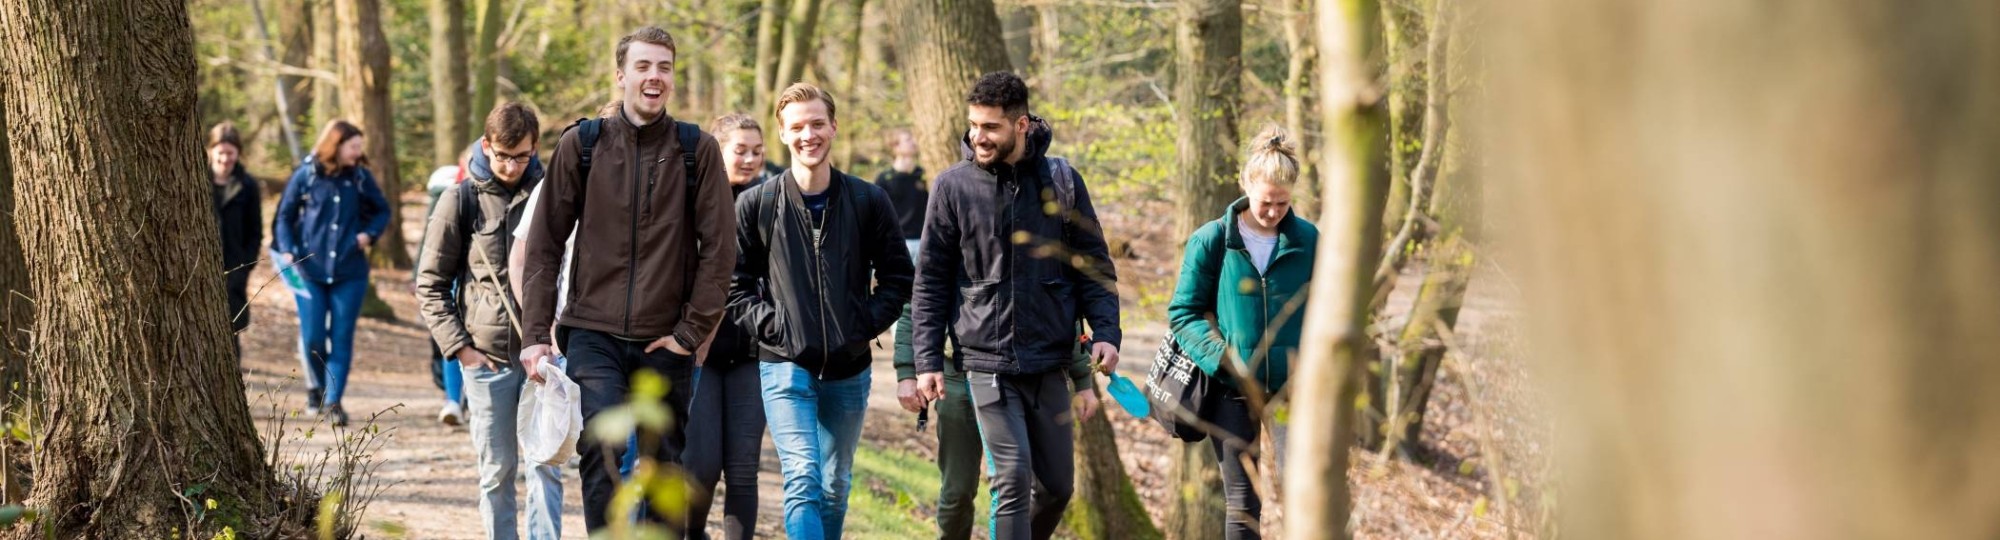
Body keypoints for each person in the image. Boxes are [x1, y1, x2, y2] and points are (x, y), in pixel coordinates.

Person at [515, 26, 737, 535]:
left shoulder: (696, 150)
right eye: (643, 66)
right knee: (602, 448)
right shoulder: (582, 145)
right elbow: (544, 245)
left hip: (667, 341)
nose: (654, 77)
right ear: (621, 75)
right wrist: (534, 335)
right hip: (593, 333)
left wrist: (689, 333)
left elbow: (721, 253)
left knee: (663, 467)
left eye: (664, 67)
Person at [910, 71, 1120, 540]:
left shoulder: (1062, 181)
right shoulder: (952, 187)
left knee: (1057, 488)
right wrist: (926, 360)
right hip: (985, 361)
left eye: (990, 128)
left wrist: (1106, 331)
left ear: (1021, 125)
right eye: (973, 126)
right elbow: (930, 284)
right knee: (1011, 478)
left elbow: (1093, 266)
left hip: (1049, 361)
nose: (977, 137)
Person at [729, 83, 913, 540]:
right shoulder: (758, 204)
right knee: (803, 478)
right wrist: (778, 329)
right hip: (783, 365)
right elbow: (732, 287)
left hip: (850, 367)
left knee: (834, 484)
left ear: (833, 126)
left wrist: (861, 325)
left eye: (816, 123)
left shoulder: (869, 200)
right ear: (782, 134)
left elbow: (898, 279)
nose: (808, 134)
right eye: (797, 127)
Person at [416, 103, 564, 540]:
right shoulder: (460, 199)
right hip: (490, 360)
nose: (511, 165)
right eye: (502, 155)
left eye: (521, 156)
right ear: (486, 146)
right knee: (498, 471)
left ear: (535, 148)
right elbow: (430, 283)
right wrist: (462, 349)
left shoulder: (554, 191)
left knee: (546, 469)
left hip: (546, 357)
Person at [1166, 126, 1315, 540]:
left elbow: (1325, 310)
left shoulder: (1309, 241)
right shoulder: (1212, 239)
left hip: (1291, 389)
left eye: (1282, 204)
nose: (1273, 212)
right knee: (1244, 506)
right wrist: (1222, 357)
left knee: (1302, 494)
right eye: (1266, 202)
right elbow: (1183, 312)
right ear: (1246, 185)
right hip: (1232, 388)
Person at [681, 113, 775, 540]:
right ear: (716, 151)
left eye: (757, 151)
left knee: (741, 468)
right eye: (740, 150)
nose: (750, 159)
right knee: (700, 466)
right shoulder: (690, 200)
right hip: (696, 351)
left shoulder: (774, 202)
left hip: (753, 352)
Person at [274, 119, 390, 428]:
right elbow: (284, 216)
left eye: (359, 147)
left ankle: (334, 401)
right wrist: (287, 248)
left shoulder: (361, 178)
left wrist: (368, 235)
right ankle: (319, 386)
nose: (358, 152)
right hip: (310, 270)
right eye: (353, 147)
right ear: (336, 146)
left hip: (350, 273)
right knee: (312, 337)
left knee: (341, 338)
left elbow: (382, 210)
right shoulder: (307, 175)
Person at [418, 146, 475, 426]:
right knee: (453, 337)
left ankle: (469, 400)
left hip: (482, 283)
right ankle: (453, 400)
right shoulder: (450, 193)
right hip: (452, 276)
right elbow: (430, 241)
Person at [208, 122, 263, 361]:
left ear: (238, 153)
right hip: (201, 265)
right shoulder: (195, 179)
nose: (225, 159)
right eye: (220, 153)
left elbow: (255, 232)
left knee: (231, 331)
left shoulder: (248, 186)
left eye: (230, 153)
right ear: (211, 151)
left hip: (234, 269)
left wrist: (245, 266)